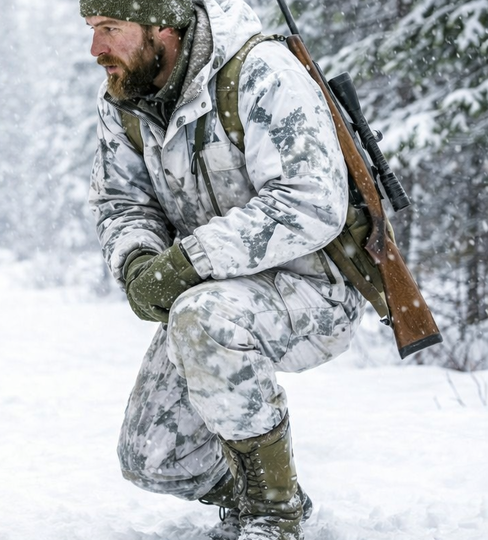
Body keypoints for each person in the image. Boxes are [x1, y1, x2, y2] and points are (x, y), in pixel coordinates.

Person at [80, 0, 364, 539]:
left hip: (313, 291)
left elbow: (311, 201)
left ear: (161, 24)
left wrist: (190, 261)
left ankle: (273, 516)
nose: (96, 50)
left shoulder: (260, 72)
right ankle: (272, 492)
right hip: (208, 299)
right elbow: (121, 200)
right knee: (154, 459)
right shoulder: (122, 97)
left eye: (110, 29)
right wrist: (140, 259)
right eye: (92, 30)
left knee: (204, 316)